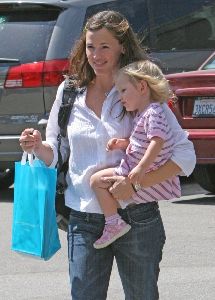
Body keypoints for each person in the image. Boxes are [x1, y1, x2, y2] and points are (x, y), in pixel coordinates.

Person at [19, 10, 196, 300]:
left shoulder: (139, 89)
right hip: (84, 219)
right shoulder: (69, 91)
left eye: (105, 47)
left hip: (138, 217)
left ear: (122, 47)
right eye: (90, 46)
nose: (96, 55)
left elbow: (185, 154)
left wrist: (138, 182)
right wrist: (37, 146)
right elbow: (57, 154)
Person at [90, 60, 182, 249]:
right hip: (135, 171)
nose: (120, 97)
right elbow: (144, 141)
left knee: (96, 181)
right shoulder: (143, 113)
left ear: (141, 87)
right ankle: (114, 220)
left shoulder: (153, 112)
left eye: (123, 91)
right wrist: (123, 143)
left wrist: (141, 167)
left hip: (136, 171)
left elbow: (158, 140)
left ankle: (113, 223)